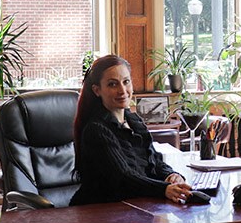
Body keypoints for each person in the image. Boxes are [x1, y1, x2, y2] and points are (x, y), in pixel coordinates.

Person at [71, 54, 193, 206]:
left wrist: (171, 175)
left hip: (135, 207)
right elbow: (124, 178)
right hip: (99, 213)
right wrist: (164, 189)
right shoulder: (96, 130)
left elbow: (153, 160)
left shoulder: (134, 121)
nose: (122, 90)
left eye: (126, 82)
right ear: (97, 90)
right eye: (112, 84)